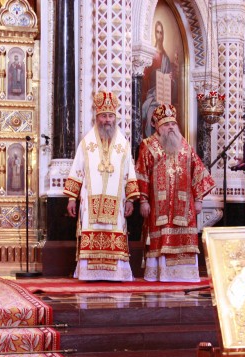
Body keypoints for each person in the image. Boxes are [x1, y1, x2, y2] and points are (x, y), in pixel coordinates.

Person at [63, 91, 139, 281]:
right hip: (90, 202)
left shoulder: (123, 144)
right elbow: (77, 169)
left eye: (110, 116)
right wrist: (72, 198)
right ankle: (88, 272)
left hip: (117, 201)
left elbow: (129, 171)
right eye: (103, 116)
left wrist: (131, 200)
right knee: (91, 228)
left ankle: (117, 273)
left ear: (115, 118)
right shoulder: (86, 143)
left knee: (116, 229)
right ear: (97, 117)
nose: (107, 120)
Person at [136, 103, 215, 282]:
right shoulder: (148, 146)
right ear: (157, 126)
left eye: (173, 124)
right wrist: (143, 200)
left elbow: (198, 172)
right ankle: (162, 273)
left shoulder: (185, 145)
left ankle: (185, 274)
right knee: (161, 236)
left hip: (184, 205)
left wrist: (199, 199)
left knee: (184, 236)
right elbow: (142, 174)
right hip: (159, 204)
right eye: (166, 124)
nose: (170, 127)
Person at [141, 21, 174, 138]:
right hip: (151, 95)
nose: (159, 36)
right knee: (150, 114)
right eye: (157, 32)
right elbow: (142, 75)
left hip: (163, 97)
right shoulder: (150, 55)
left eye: (161, 33)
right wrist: (155, 73)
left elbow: (173, 84)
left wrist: (171, 79)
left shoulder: (166, 58)